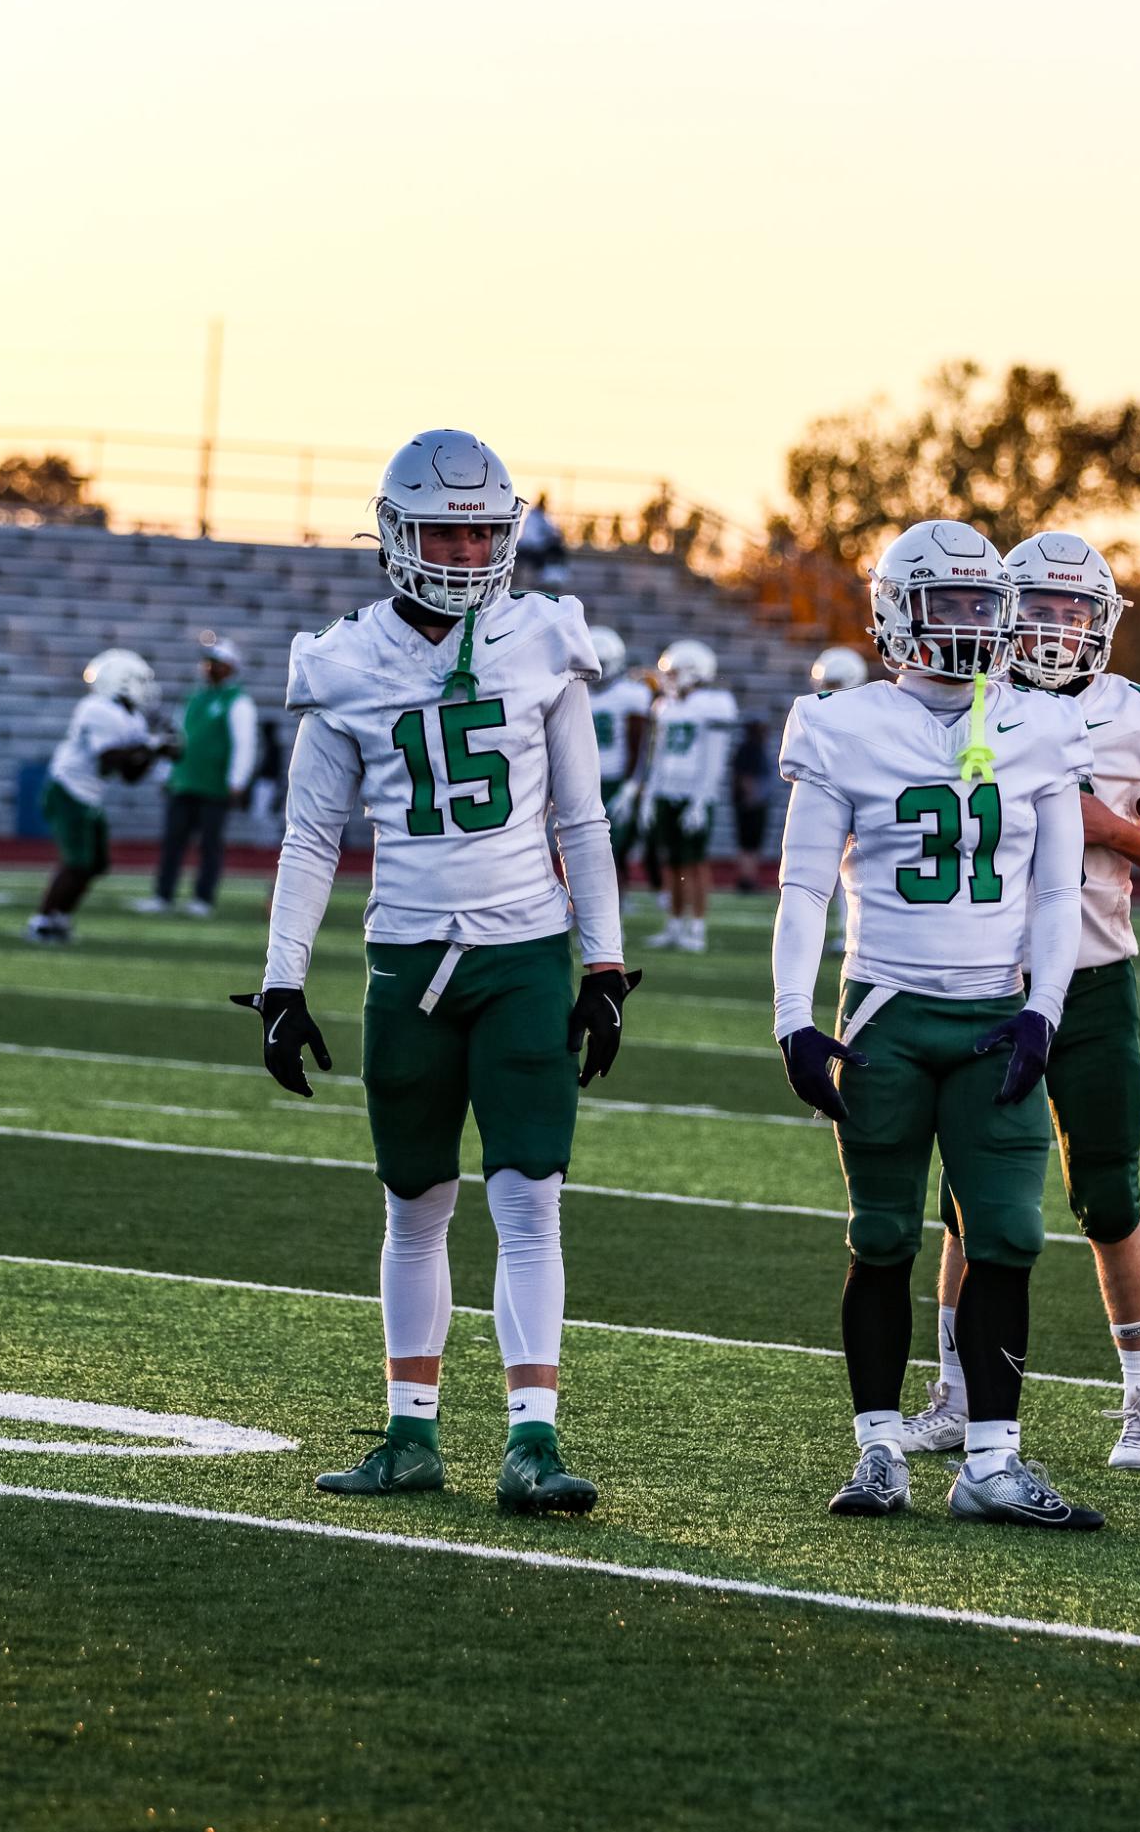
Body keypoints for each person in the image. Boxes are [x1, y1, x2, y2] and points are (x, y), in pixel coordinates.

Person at [232, 427, 639, 1515]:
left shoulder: (546, 639)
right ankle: (409, 1435)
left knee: (529, 1199)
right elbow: (310, 839)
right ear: (394, 537)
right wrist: (281, 982)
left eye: (479, 531)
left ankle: (532, 1440)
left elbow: (583, 819)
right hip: (405, 964)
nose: (463, 553)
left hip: (518, 955)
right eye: (442, 531)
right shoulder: (343, 658)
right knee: (411, 1202)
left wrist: (601, 963)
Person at [774, 519, 1103, 1529]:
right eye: (947, 602)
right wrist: (792, 1016)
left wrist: (1042, 1010)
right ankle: (877, 1449)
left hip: (994, 1013)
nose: (968, 624)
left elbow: (1057, 895)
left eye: (980, 604)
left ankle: (990, 1463)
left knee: (1003, 1235)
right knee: (879, 1237)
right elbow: (801, 890)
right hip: (882, 1009)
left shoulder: (1039, 725)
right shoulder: (840, 724)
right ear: (892, 612)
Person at [903, 533, 1140, 1472]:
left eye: (1074, 610)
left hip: (1088, 979)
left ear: (1104, 623)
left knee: (1108, 1196)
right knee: (966, 1202)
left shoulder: (1138, 721)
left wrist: (1106, 825)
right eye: (1036, 606)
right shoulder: (964, 703)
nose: (1053, 627)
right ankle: (957, 1399)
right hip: (986, 979)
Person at [28, 649, 174, 942]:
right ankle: (42, 920)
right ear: (122, 680)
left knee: (94, 864)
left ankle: (59, 917)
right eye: (140, 681)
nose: (146, 689)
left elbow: (131, 776)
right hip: (68, 790)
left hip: (88, 796)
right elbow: (108, 758)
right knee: (77, 862)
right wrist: (153, 745)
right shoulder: (96, 708)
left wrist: (158, 752)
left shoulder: (131, 718)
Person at [134, 637, 258, 917]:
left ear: (230, 667)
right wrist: (165, 772)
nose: (208, 668)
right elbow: (177, 736)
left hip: (214, 784)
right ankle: (163, 895)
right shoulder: (194, 696)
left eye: (215, 664)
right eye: (208, 663)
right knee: (172, 841)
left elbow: (244, 744)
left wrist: (237, 780)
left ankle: (203, 898)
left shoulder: (238, 701)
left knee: (210, 844)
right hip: (184, 780)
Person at [640, 639, 738, 953]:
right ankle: (674, 924)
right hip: (667, 791)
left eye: (676, 672)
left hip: (695, 795)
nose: (669, 678)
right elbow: (657, 755)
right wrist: (649, 794)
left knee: (695, 864)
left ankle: (697, 928)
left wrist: (700, 799)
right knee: (671, 862)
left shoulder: (715, 703)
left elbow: (715, 757)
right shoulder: (665, 706)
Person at [808, 650, 870, 942]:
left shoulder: (867, 717)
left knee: (858, 871)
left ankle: (854, 932)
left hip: (860, 801)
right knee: (826, 872)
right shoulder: (819, 717)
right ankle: (844, 930)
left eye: (834, 683)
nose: (827, 691)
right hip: (832, 799)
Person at [586, 626, 652, 891]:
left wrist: (632, 784)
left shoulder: (631, 693)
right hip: (583, 779)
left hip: (615, 780)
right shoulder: (573, 689)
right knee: (585, 849)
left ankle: (615, 907)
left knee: (612, 850)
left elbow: (641, 744)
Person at [729, 719, 772, 892]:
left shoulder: (748, 748)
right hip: (751, 804)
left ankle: (748, 876)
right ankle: (747, 878)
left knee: (749, 843)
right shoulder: (751, 749)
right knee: (750, 843)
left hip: (748, 802)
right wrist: (751, 799)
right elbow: (746, 777)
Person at [516, 493, 568, 589]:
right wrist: (549, 538)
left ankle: (553, 576)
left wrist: (554, 536)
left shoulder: (541, 516)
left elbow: (551, 530)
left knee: (558, 549)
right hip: (529, 547)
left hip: (536, 545)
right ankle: (549, 577)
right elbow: (532, 537)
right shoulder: (533, 517)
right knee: (554, 550)